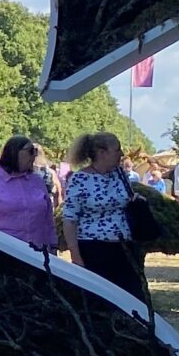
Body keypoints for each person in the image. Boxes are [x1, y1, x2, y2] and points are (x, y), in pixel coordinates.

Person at [60, 131, 149, 307]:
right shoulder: (79, 179)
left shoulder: (120, 174)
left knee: (132, 299)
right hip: (94, 249)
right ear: (102, 153)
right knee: (99, 302)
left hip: (124, 247)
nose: (121, 154)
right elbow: (70, 220)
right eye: (117, 150)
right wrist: (76, 256)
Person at [0, 137, 59, 255]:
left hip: (37, 253)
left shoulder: (37, 181)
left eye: (36, 152)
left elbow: (48, 219)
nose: (34, 156)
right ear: (14, 152)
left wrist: (53, 245)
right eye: (31, 151)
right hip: (2, 251)